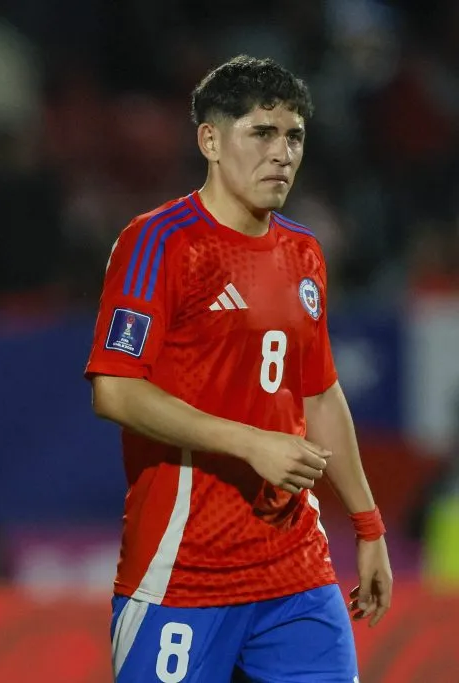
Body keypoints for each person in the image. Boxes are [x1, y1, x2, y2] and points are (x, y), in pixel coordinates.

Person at [85, 55, 392, 682]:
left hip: (295, 568)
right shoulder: (159, 243)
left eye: (295, 136)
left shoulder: (303, 251)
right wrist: (251, 444)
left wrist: (367, 524)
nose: (282, 153)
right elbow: (114, 390)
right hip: (185, 570)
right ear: (210, 140)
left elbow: (321, 393)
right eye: (262, 132)